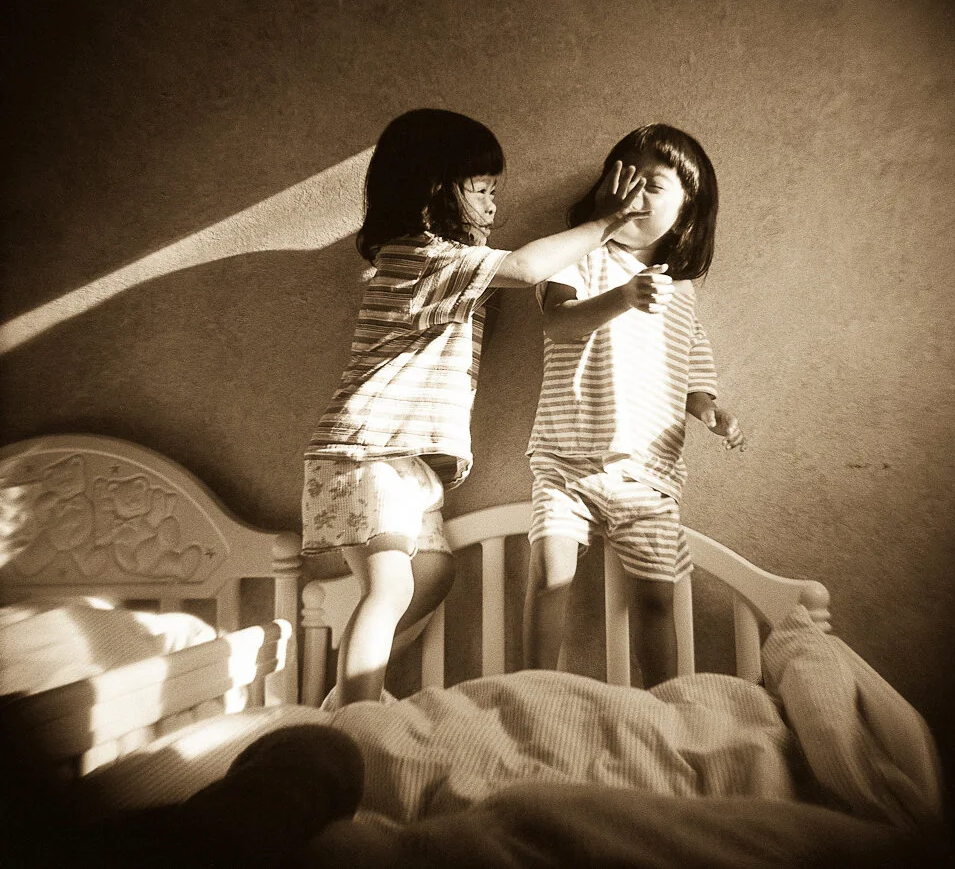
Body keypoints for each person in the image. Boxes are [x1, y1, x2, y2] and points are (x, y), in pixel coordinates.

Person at [302, 108, 651, 706]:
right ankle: (356, 716)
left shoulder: (448, 264)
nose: (494, 206)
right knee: (390, 587)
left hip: (406, 462)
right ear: (434, 194)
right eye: (484, 191)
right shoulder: (422, 256)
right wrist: (605, 223)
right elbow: (525, 267)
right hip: (366, 450)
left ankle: (349, 685)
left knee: (434, 574)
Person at [523, 123, 746, 688]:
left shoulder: (680, 291)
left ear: (686, 211)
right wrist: (624, 296)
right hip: (565, 462)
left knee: (656, 598)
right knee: (550, 579)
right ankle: (531, 690)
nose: (633, 192)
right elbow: (558, 324)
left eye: (654, 185)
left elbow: (692, 360)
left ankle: (666, 701)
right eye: (624, 175)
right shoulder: (577, 255)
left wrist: (709, 409)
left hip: (648, 473)